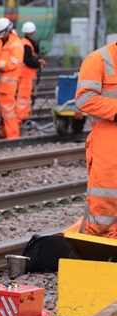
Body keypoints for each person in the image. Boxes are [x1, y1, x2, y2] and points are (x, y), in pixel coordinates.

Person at [74, 41, 117, 238]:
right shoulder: (98, 59)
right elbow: (84, 99)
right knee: (104, 203)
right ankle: (101, 249)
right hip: (107, 141)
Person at [0, 17, 24, 139]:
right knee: (2, 111)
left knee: (8, 112)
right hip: (1, 84)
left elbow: (13, 63)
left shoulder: (16, 44)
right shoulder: (0, 40)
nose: (0, 37)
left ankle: (13, 136)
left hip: (9, 85)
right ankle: (4, 133)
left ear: (8, 31)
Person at [16, 21, 47, 124]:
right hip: (25, 75)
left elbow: (30, 58)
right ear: (32, 32)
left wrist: (38, 61)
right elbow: (28, 60)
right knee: (23, 98)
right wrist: (38, 64)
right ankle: (22, 118)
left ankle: (24, 116)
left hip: (25, 75)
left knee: (25, 97)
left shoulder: (25, 42)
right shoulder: (26, 44)